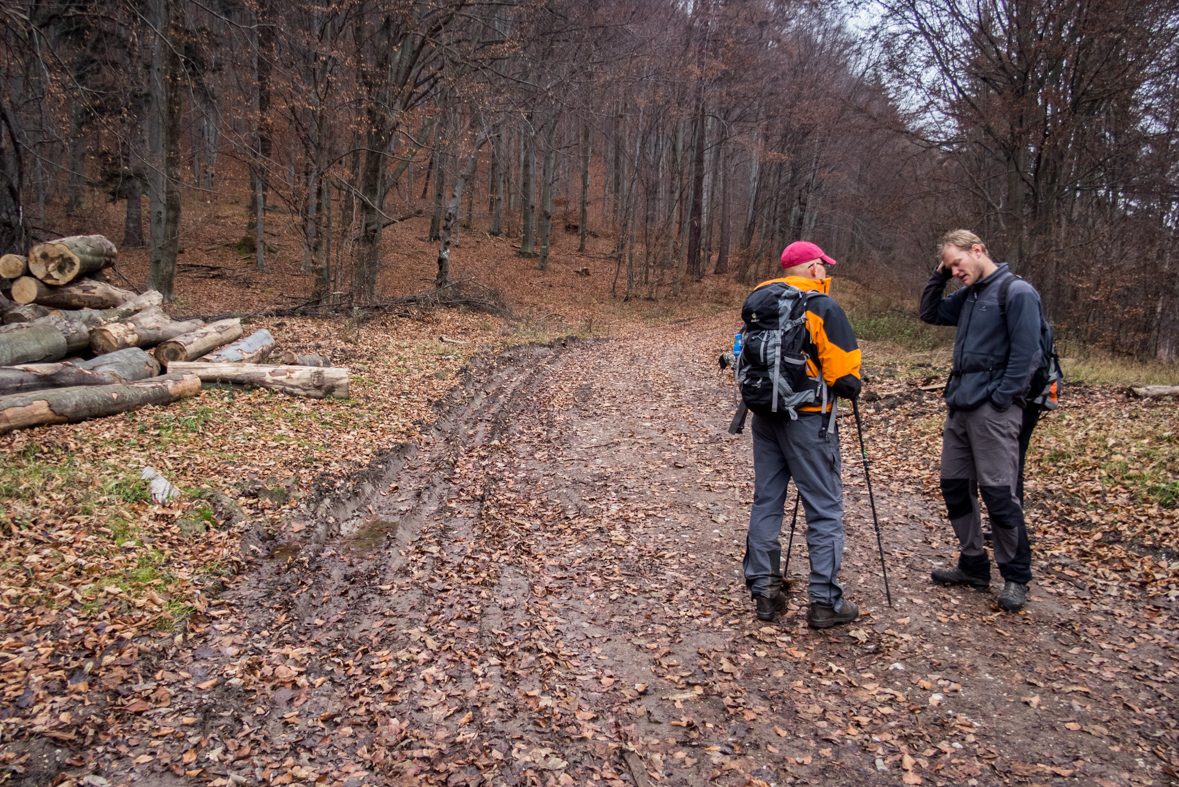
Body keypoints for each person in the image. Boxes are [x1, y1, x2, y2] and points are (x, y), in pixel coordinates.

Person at [919, 229, 1042, 612]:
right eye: (949, 265)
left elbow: (1027, 354)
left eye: (957, 263)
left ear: (978, 251)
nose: (955, 271)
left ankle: (1016, 576)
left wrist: (1002, 398)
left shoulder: (1016, 292)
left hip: (994, 409)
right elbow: (930, 313)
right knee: (954, 485)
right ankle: (973, 564)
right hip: (960, 404)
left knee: (999, 493)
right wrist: (939, 274)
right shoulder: (970, 294)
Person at [743, 241, 863, 628]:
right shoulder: (821, 306)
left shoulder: (759, 302)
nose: (826, 273)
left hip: (764, 416)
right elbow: (845, 378)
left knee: (767, 502)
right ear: (813, 268)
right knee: (824, 509)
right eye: (823, 266)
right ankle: (825, 603)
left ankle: (765, 592)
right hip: (809, 421)